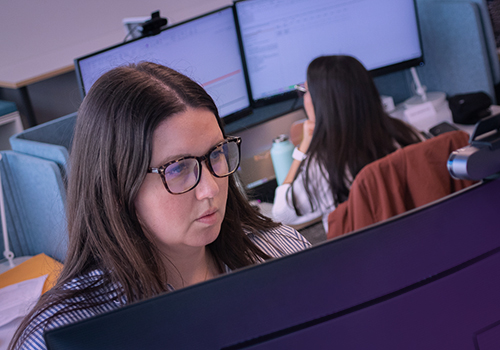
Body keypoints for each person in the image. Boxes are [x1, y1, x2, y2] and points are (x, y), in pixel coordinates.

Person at [10, 62, 311, 350]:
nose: (209, 189)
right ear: (117, 189)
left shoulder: (280, 250)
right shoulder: (59, 335)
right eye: (178, 168)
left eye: (216, 154)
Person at [272, 55, 424, 233]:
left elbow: (281, 213)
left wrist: (303, 148)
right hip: (416, 236)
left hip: (365, 255)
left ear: (321, 103)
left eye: (306, 91)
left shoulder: (324, 164)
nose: (304, 98)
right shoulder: (404, 133)